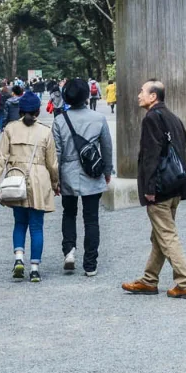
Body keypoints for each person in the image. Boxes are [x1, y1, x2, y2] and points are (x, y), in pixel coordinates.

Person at [122, 80, 186, 298]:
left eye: (142, 91)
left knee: (167, 235)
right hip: (174, 186)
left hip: (160, 188)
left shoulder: (152, 118)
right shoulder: (173, 117)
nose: (138, 95)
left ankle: (184, 283)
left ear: (153, 97)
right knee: (159, 236)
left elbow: (151, 156)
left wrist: (150, 188)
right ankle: (149, 279)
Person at [0, 90, 59, 282]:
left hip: (16, 178)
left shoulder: (10, 129)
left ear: (20, 110)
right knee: (36, 226)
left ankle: (19, 258)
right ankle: (34, 269)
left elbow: (0, 159)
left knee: (19, 222)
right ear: (37, 111)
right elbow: (52, 164)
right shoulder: (45, 131)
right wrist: (56, 183)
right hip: (39, 180)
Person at [53, 76, 113, 276]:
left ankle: (69, 251)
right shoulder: (98, 118)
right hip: (92, 171)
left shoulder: (60, 120)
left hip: (68, 172)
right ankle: (90, 264)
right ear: (87, 96)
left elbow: (57, 153)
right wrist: (107, 171)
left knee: (69, 213)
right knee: (91, 218)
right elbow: (106, 147)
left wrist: (56, 179)